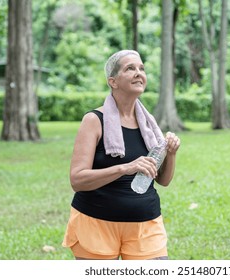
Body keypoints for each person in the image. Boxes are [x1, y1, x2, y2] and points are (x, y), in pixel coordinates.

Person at [62, 50, 180, 260]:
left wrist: (170, 154)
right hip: (95, 224)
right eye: (130, 68)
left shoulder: (149, 124)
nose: (138, 73)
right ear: (113, 81)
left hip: (146, 225)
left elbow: (163, 180)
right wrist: (125, 168)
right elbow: (77, 180)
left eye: (141, 68)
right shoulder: (94, 120)